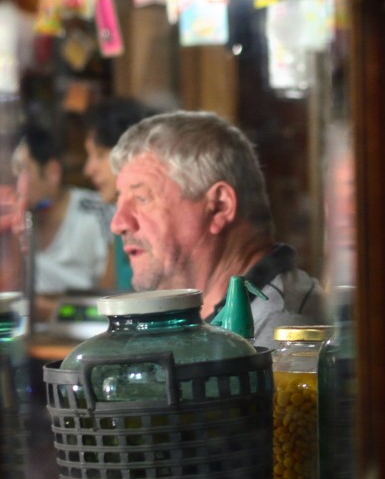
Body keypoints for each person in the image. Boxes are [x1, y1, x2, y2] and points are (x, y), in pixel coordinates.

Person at [109, 110, 326, 347]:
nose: (118, 223)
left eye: (142, 198)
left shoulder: (282, 343)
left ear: (220, 207)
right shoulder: (208, 325)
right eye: (119, 202)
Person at [13, 121, 115, 321]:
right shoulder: (8, 223)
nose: (11, 182)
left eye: (21, 170)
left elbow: (111, 311)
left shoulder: (99, 213)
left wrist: (42, 310)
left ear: (52, 172)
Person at [81, 96, 157, 292]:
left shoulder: (155, 221)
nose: (89, 169)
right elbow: (109, 291)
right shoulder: (121, 220)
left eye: (99, 155)